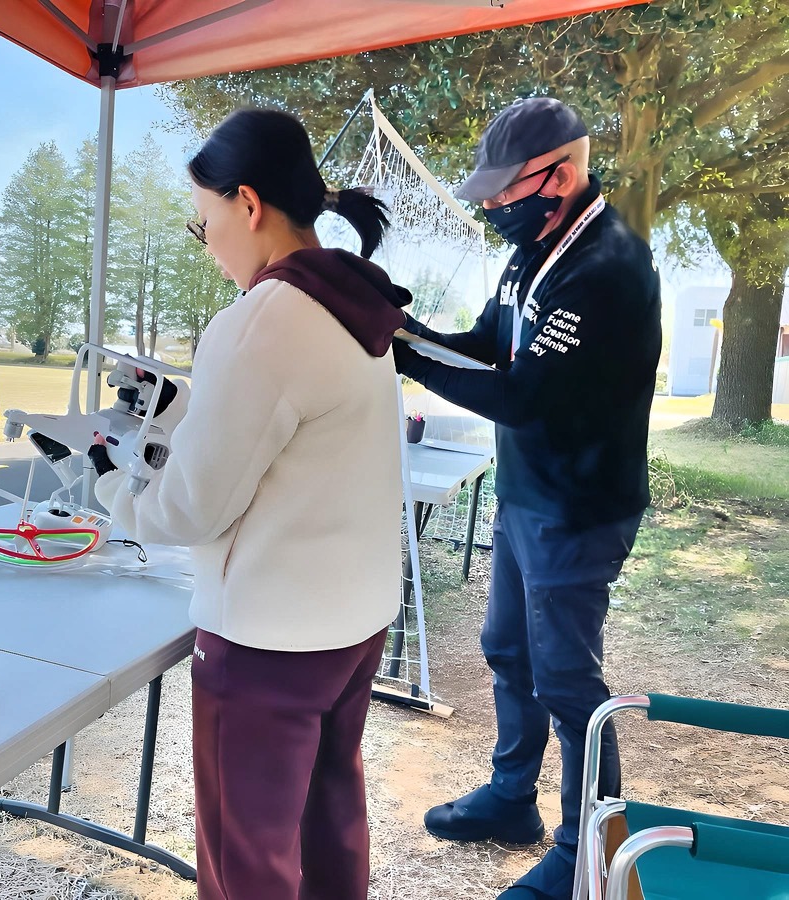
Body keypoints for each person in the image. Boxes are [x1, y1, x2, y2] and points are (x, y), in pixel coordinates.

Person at [87, 107, 412, 900]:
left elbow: (190, 510)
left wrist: (104, 485)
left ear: (248, 203)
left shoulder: (262, 318)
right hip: (353, 619)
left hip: (269, 638)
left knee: (247, 859)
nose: (210, 246)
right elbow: (296, 437)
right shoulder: (353, 303)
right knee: (330, 818)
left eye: (205, 223)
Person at [392, 97, 661, 900]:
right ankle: (513, 800)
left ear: (563, 174)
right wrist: (403, 328)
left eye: (506, 191)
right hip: (527, 493)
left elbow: (521, 396)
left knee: (570, 686)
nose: (494, 206)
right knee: (509, 650)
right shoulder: (539, 247)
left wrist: (402, 359)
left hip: (578, 509)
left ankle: (586, 851)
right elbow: (485, 344)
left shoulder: (607, 268)